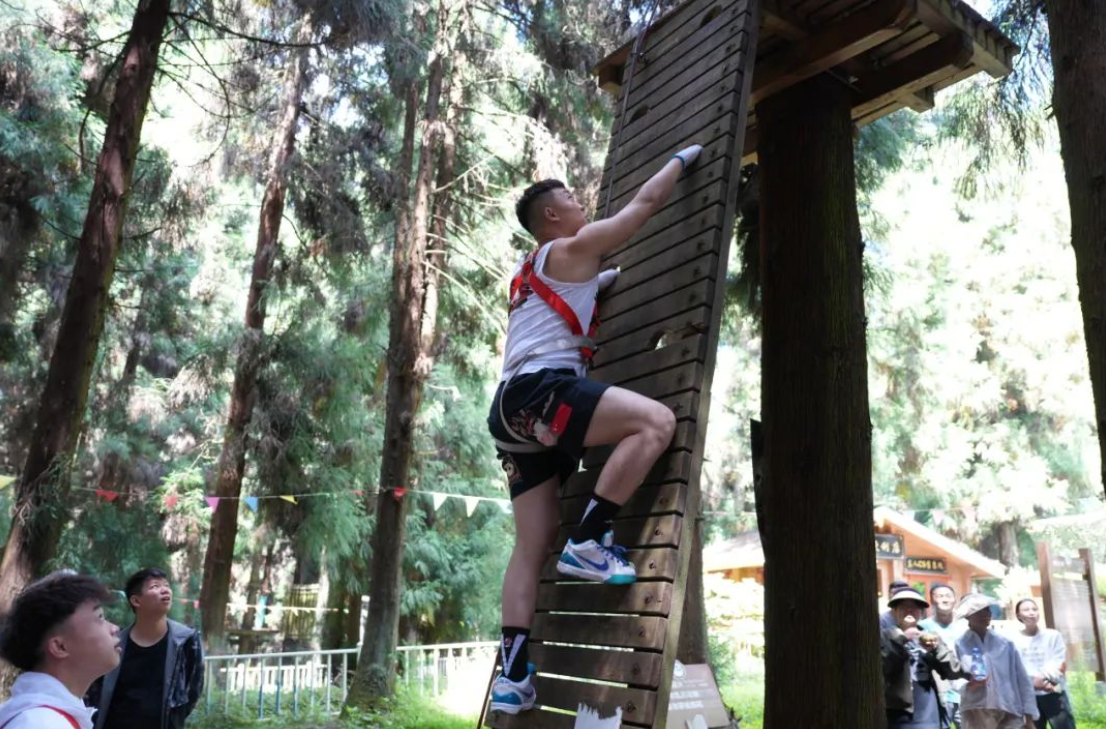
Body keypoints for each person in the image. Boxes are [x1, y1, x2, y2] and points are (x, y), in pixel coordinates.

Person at [487, 143, 703, 714]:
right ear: (551, 215)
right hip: (542, 389)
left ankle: (513, 676)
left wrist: (602, 283)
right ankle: (589, 538)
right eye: (571, 199)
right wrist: (680, 160)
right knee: (655, 422)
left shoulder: (530, 274)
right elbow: (642, 207)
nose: (582, 204)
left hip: (509, 412)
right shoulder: (569, 247)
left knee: (531, 545)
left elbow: (572, 299)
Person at [86, 568, 204, 729]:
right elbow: (96, 691)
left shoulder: (186, 640)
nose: (165, 590)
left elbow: (192, 691)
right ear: (136, 601)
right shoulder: (115, 641)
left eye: (166, 585)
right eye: (155, 586)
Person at [0, 571, 120, 729]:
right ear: (60, 647)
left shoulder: (51, 717)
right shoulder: (41, 724)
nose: (115, 628)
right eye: (100, 617)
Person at [881, 587, 966, 729]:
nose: (909, 610)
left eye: (914, 607)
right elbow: (884, 667)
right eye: (903, 606)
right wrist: (902, 639)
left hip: (929, 712)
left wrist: (936, 650)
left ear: (921, 612)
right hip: (898, 713)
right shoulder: (886, 636)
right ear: (894, 612)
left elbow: (953, 671)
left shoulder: (930, 636)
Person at [954, 594, 1038, 729]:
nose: (985, 614)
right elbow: (953, 678)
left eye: (987, 610)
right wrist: (969, 683)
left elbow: (1022, 679)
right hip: (975, 710)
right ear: (967, 616)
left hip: (1009, 709)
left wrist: (1029, 717)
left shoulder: (1005, 643)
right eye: (978, 611)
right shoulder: (960, 644)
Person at [1008, 598, 1076, 729]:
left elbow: (1059, 662)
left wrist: (1042, 679)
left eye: (1034, 609)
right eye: (1026, 610)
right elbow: (1014, 668)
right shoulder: (1013, 640)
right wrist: (1032, 683)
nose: (1031, 612)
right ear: (1018, 615)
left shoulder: (1053, 635)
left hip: (1054, 691)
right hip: (1028, 697)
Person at [920, 583, 970, 729]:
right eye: (940, 596)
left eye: (948, 596)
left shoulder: (966, 625)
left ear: (955, 599)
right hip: (939, 690)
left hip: (967, 689)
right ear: (931, 600)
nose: (945, 599)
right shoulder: (923, 626)